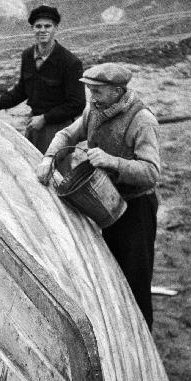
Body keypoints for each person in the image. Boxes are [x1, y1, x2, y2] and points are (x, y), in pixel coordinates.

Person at [35, 63, 161, 330]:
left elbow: (151, 172)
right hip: (104, 200)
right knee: (111, 274)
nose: (91, 97)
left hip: (136, 208)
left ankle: (142, 342)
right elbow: (67, 133)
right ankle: (117, 332)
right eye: (90, 90)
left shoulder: (142, 121)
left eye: (98, 91)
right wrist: (49, 157)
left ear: (117, 91)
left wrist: (112, 162)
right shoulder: (94, 110)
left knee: (135, 280)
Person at [0, 5, 85, 153]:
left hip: (58, 129)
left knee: (56, 171)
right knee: (31, 165)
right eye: (38, 26)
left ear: (55, 28)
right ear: (32, 29)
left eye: (47, 26)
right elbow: (22, 89)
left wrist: (45, 118)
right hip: (34, 123)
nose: (42, 30)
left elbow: (77, 104)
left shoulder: (70, 62)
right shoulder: (28, 55)